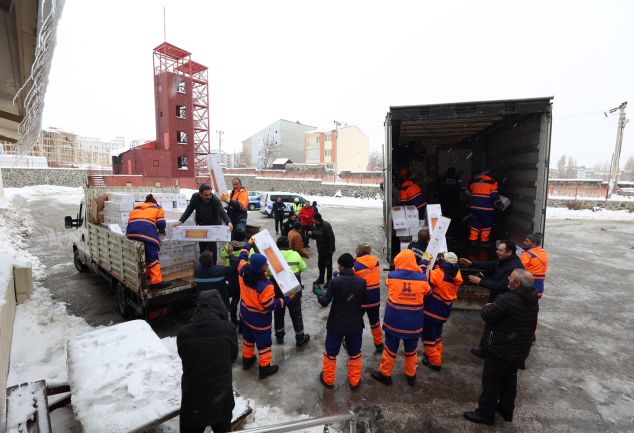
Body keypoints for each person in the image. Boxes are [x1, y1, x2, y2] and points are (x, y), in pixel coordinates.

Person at [463, 270, 538, 425]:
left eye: (510, 277)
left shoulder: (508, 299)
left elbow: (488, 315)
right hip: (519, 350)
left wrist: (488, 306)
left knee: (491, 382)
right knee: (509, 380)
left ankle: (485, 414)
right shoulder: (532, 299)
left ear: (517, 284)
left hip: (500, 349)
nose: (508, 279)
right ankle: (506, 410)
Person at [177, 290, 238, 433]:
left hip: (193, 403)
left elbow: (184, 356)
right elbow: (232, 356)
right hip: (222, 400)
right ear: (219, 305)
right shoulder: (228, 329)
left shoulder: (184, 333)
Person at [371, 249, 429, 386]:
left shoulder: (392, 276)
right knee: (411, 350)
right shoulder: (422, 279)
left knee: (390, 349)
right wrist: (422, 269)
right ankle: (411, 376)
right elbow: (428, 292)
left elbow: (388, 284)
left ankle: (385, 375)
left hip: (394, 322)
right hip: (413, 324)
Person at [234, 243, 291, 379]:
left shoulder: (242, 270)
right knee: (264, 344)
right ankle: (264, 368)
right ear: (260, 268)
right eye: (265, 264)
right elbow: (269, 305)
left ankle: (247, 360)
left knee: (248, 338)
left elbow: (242, 256)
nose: (267, 265)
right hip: (260, 320)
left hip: (245, 314)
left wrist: (248, 245)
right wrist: (285, 301)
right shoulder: (265, 286)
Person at [460, 240, 524, 358]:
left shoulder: (514, 267)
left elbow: (503, 286)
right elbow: (490, 264)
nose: (497, 252)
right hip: (497, 299)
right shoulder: (504, 261)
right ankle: (485, 350)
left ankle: (490, 352)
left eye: (500, 250)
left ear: (509, 252)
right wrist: (471, 263)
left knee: (496, 327)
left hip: (504, 301)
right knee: (490, 325)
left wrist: (481, 282)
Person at [315, 253, 367, 390]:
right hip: (355, 324)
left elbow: (325, 301)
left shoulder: (335, 281)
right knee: (355, 352)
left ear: (342, 266)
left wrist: (318, 293)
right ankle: (354, 381)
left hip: (336, 324)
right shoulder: (362, 282)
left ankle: (328, 379)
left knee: (331, 352)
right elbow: (364, 302)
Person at [421, 252, 463, 371]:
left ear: (444, 262)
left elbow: (423, 274)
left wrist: (424, 262)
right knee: (437, 335)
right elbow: (440, 277)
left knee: (428, 337)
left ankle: (435, 362)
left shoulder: (439, 274)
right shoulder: (456, 273)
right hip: (443, 312)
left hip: (432, 311)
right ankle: (436, 353)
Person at [176, 184, 232, 263]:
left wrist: (228, 222)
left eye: (210, 194)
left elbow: (222, 212)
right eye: (206, 195)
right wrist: (180, 221)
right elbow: (189, 210)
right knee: (202, 245)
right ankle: (204, 265)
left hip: (213, 224)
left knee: (212, 246)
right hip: (202, 223)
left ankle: (213, 264)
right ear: (200, 194)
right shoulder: (195, 197)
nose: (208, 197)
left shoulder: (215, 200)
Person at [273, 236, 310, 347]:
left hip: (277, 288)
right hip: (293, 289)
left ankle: (279, 336)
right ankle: (300, 338)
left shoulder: (273, 257)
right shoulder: (295, 254)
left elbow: (268, 273)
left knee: (278, 312)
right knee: (296, 313)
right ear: (288, 244)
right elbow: (303, 268)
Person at [127, 194, 169, 289]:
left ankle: (145, 276)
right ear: (154, 202)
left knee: (140, 256)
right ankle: (156, 282)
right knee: (152, 257)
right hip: (147, 235)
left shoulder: (136, 209)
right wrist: (161, 230)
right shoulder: (158, 208)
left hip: (131, 235)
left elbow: (132, 221)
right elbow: (161, 223)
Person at [353, 243, 384, 352]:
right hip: (374, 298)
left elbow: (350, 279)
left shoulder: (355, 264)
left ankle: (353, 343)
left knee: (355, 321)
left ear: (359, 250)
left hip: (361, 299)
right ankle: (379, 343)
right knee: (375, 322)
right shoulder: (375, 261)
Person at [220, 231, 251, 325]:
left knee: (234, 298)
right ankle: (243, 321)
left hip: (232, 277)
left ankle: (233, 319)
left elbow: (222, 256)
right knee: (245, 301)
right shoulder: (247, 250)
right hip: (244, 277)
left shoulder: (228, 248)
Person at [467, 170, 501, 244]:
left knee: (475, 224)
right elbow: (494, 195)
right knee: (486, 225)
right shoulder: (492, 183)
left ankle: (473, 240)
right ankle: (484, 240)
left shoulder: (474, 182)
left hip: (475, 208)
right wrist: (499, 203)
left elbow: (470, 191)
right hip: (486, 208)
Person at [519, 232, 548, 299]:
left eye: (527, 241)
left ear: (534, 243)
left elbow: (519, 269)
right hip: (538, 286)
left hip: (528, 285)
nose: (524, 242)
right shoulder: (543, 253)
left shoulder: (527, 255)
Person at [311, 213, 336, 287]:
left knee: (328, 266)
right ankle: (321, 279)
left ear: (317, 220)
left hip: (328, 250)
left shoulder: (326, 225)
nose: (312, 220)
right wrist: (312, 234)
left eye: (313, 219)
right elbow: (317, 235)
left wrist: (331, 249)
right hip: (320, 249)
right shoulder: (316, 225)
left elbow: (331, 238)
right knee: (320, 264)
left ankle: (329, 281)